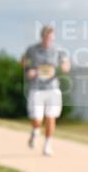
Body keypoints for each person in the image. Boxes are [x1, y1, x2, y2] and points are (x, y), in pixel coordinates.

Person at [21, 25, 70, 156]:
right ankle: (35, 130)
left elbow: (66, 65)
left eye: (51, 37)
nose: (49, 39)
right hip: (36, 89)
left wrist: (62, 67)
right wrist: (28, 71)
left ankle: (47, 145)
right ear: (42, 37)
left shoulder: (58, 50)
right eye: (47, 37)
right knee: (37, 119)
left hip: (52, 88)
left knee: (50, 117)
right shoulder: (32, 50)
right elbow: (23, 62)